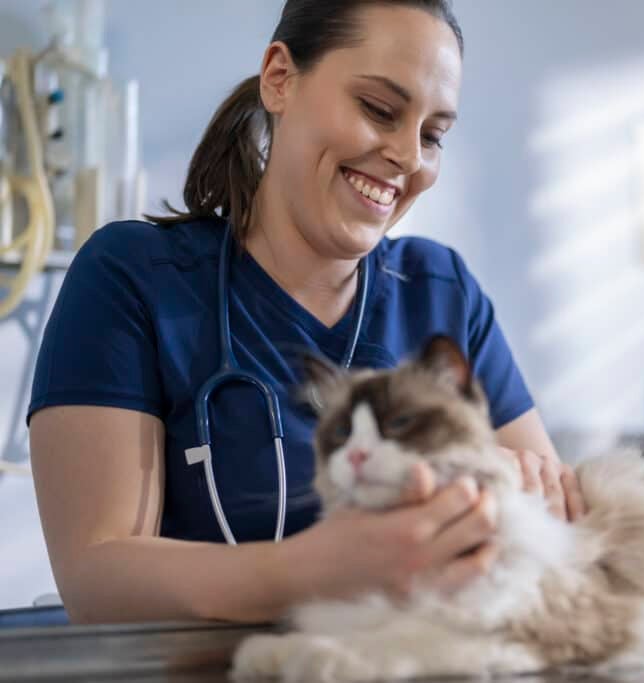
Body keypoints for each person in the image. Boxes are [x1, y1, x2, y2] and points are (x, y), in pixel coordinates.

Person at [27, 0, 583, 625]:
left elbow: (549, 535)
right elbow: (96, 577)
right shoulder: (133, 277)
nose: (407, 156)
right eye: (379, 110)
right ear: (279, 79)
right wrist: (318, 567)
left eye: (432, 135)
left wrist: (535, 491)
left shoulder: (441, 293)